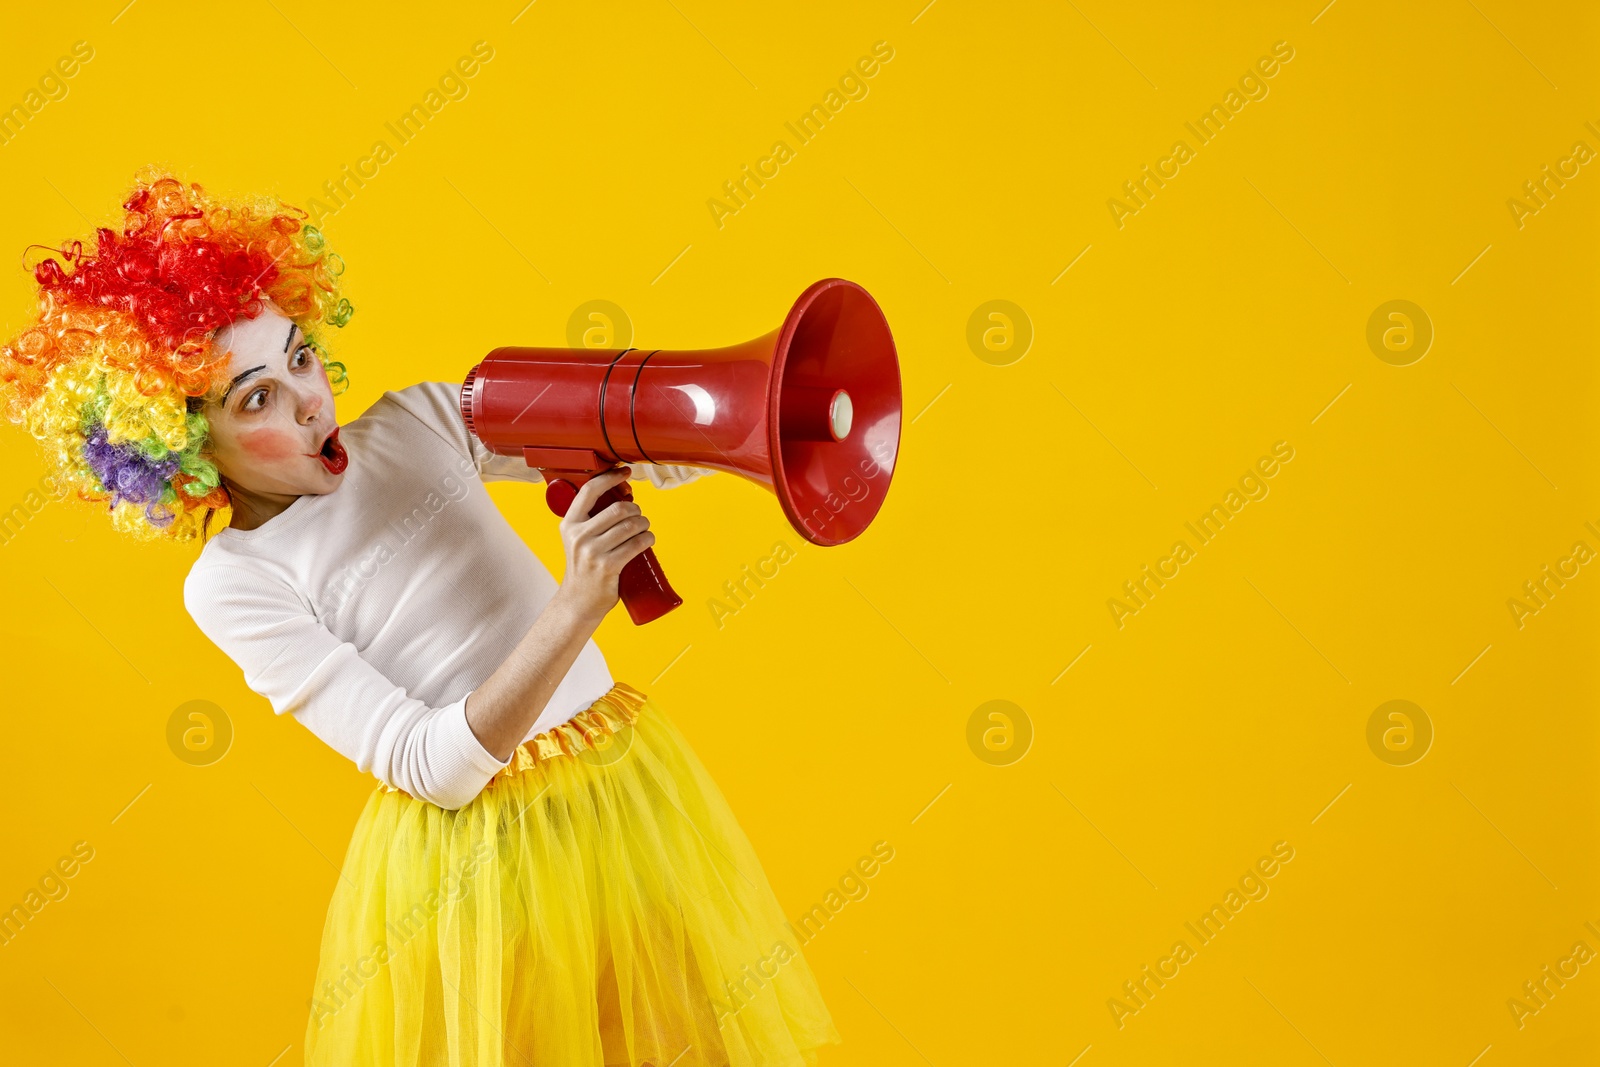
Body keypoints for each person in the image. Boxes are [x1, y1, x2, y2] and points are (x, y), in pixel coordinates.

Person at [1, 169, 840, 1066]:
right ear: (180, 447)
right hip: (483, 861)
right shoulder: (234, 582)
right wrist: (576, 602)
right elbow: (432, 767)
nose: (307, 398)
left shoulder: (422, 419)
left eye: (298, 356)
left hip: (617, 786)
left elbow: (656, 448)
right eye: (255, 399)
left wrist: (766, 411)